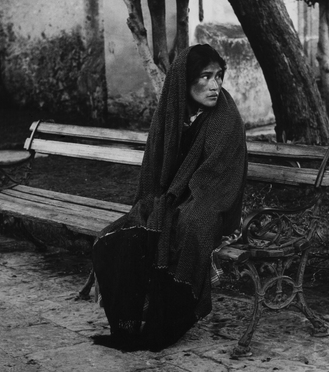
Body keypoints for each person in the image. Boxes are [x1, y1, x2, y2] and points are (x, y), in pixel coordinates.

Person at [91, 44, 248, 352]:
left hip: (212, 203)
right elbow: (157, 169)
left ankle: (169, 324)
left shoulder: (226, 119)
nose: (215, 85)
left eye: (219, 76)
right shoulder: (172, 113)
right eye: (206, 76)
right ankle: (128, 325)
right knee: (115, 238)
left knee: (189, 226)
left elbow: (217, 179)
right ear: (185, 80)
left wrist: (176, 202)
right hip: (175, 199)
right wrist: (160, 202)